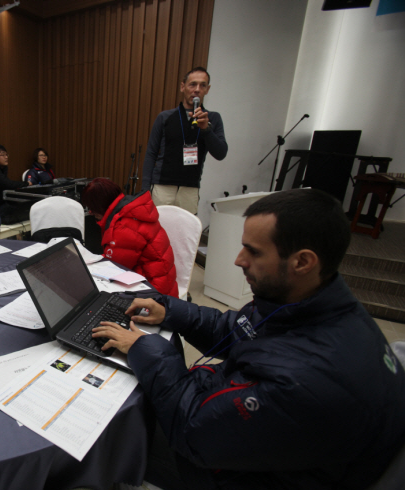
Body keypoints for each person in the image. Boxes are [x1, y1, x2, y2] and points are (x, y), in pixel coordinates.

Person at [92, 189, 405, 489]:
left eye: (253, 251)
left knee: (111, 433)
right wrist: (171, 312)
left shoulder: (305, 380)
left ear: (302, 262)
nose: (239, 260)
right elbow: (237, 329)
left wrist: (145, 347)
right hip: (242, 432)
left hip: (229, 471)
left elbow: (193, 432)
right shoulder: (308, 302)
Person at [141, 67, 228, 215]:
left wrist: (206, 129)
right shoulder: (165, 117)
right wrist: (145, 190)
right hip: (162, 187)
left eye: (202, 85)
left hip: (190, 188)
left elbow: (220, 153)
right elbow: (151, 153)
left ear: (207, 89)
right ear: (183, 87)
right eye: (192, 84)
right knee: (157, 227)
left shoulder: (212, 118)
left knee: (186, 228)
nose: (197, 90)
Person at [81, 178, 178, 297]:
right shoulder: (133, 210)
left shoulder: (123, 226)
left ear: (100, 205)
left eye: (92, 207)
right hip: (164, 285)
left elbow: (114, 268)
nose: (90, 212)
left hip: (155, 295)